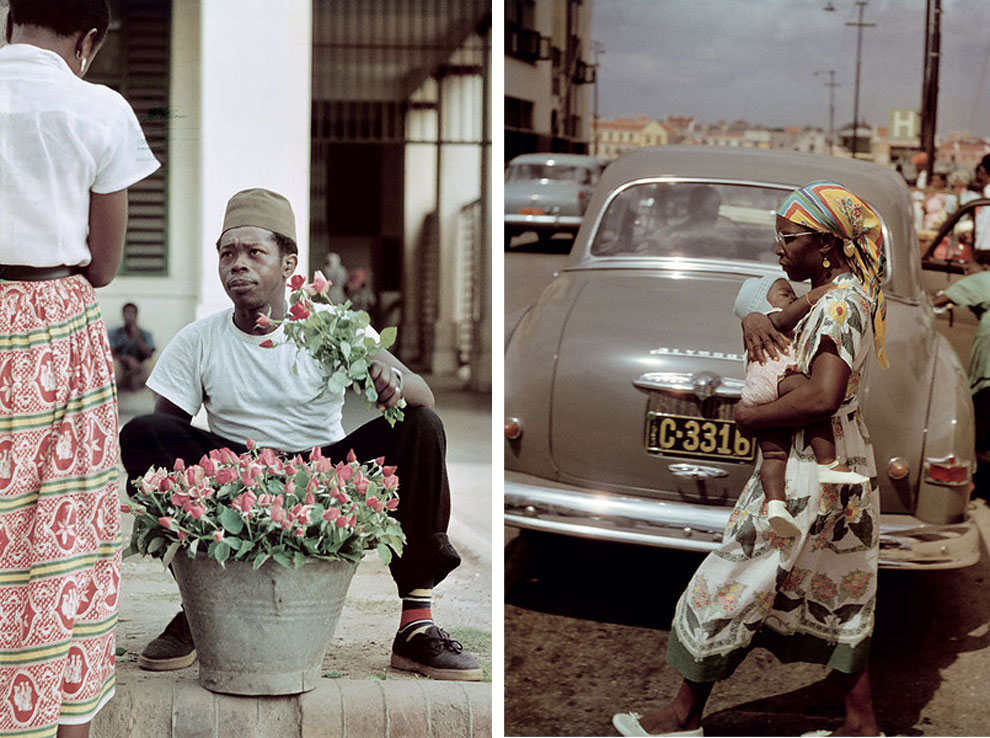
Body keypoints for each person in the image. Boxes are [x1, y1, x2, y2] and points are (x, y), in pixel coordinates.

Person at [119, 188, 482, 681]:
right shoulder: (198, 339)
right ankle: (199, 606)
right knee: (144, 433)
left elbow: (423, 393)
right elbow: (168, 439)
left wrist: (391, 383)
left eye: (254, 253)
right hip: (237, 478)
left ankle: (416, 625)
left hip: (323, 475)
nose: (238, 265)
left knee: (422, 426)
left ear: (289, 263)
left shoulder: (330, 326)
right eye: (228, 254)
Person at [613, 181, 888, 737]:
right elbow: (778, 324)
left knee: (732, 574)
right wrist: (756, 316)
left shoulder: (836, 304)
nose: (778, 250)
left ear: (828, 246)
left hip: (809, 467)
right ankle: (861, 725)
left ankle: (682, 716)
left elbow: (821, 396)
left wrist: (749, 418)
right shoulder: (850, 295)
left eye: (788, 239)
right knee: (842, 581)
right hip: (847, 464)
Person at [0, 1, 160, 735]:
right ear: (89, 39)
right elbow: (104, 264)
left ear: (9, 22)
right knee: (62, 529)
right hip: (55, 323)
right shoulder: (99, 108)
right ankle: (56, 719)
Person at [733, 276, 868, 537]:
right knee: (812, 399)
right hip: (777, 378)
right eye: (786, 294)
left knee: (773, 455)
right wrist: (813, 296)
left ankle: (775, 505)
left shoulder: (756, 328)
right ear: (762, 303)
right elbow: (785, 319)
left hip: (756, 391)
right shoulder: (771, 319)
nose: (792, 298)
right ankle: (827, 462)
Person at [933, 270, 990, 502]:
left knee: (979, 431)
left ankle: (978, 485)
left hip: (988, 375)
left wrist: (929, 308)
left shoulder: (985, 279)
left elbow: (944, 298)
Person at [108, 302, 155, 390]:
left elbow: (149, 354)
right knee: (113, 365)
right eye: (127, 313)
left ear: (136, 315)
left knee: (151, 365)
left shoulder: (145, 334)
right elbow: (110, 352)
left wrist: (136, 336)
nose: (129, 316)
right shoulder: (114, 333)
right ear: (123, 314)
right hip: (121, 367)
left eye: (132, 313)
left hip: (139, 367)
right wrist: (127, 359)